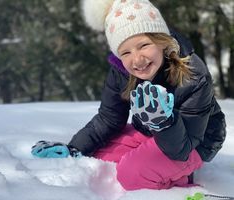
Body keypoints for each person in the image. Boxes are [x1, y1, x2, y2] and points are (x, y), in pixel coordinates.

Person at [31, 0, 226, 190]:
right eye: (125, 52)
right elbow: (109, 118)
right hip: (150, 131)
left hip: (194, 143)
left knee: (130, 173)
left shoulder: (193, 75)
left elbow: (182, 148)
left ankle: (179, 180)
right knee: (96, 155)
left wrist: (163, 121)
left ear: (161, 41)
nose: (137, 60)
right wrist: (74, 149)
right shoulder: (121, 71)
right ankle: (156, 164)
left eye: (143, 45)